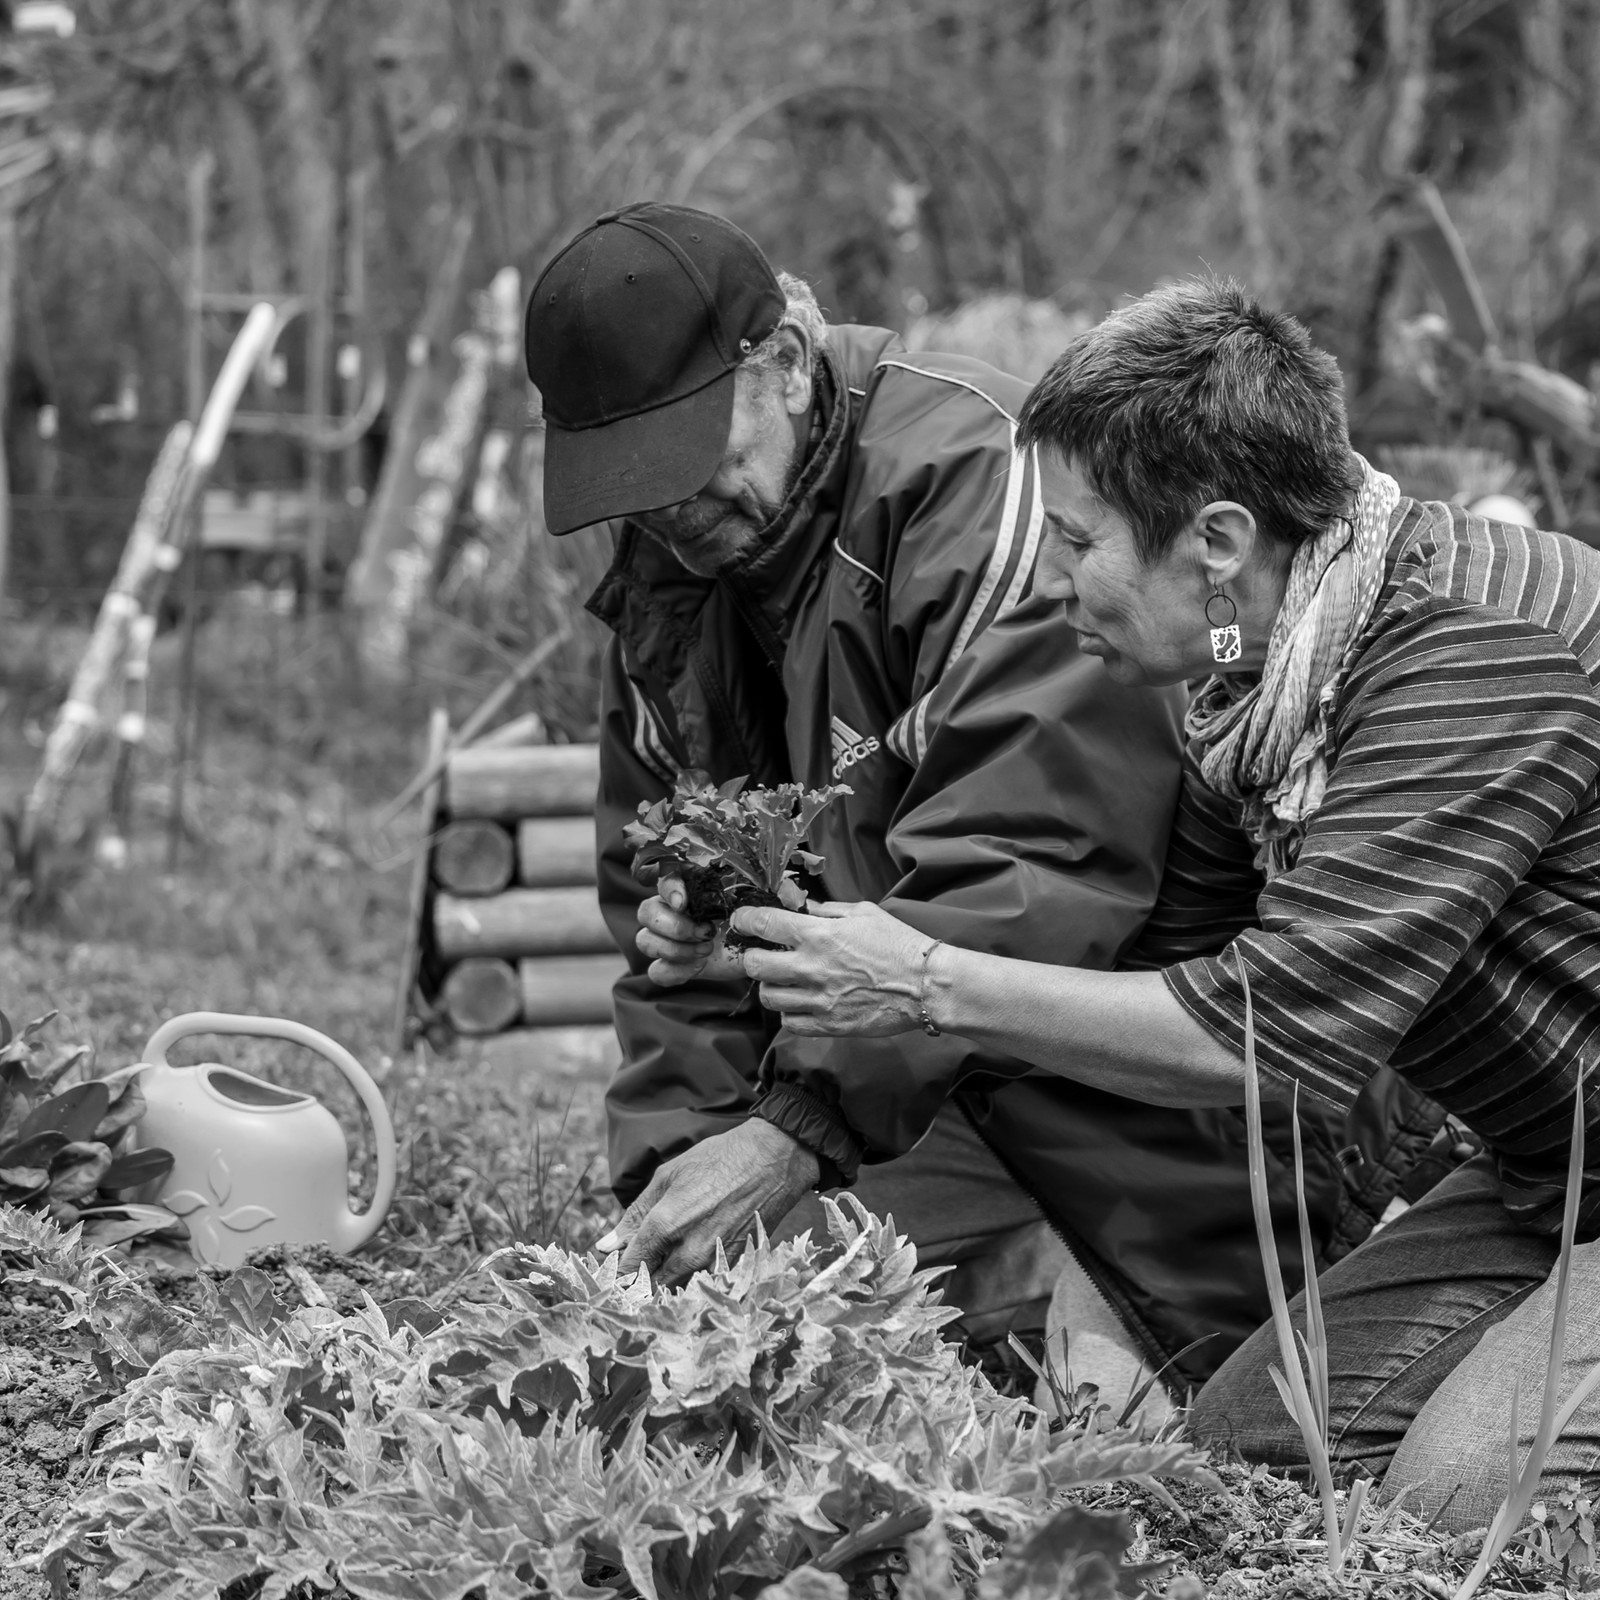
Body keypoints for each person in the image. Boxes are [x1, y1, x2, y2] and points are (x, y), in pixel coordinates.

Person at [724, 275, 1600, 1527]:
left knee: (1471, 1495)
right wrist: (790, 900)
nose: (1049, 580)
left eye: (1078, 542)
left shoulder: (1472, 655)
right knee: (1247, 1455)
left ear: (1220, 545)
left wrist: (921, 978)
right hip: (1549, 1173)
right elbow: (1159, 972)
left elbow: (1265, 1028)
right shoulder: (1249, 699)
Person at [522, 205, 1391, 1395]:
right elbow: (669, 929)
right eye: (629, 480)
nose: (670, 511)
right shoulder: (675, 580)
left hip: (1104, 1067)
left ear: (782, 361)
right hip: (891, 1065)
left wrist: (792, 1130)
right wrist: (674, 1178)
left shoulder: (982, 492)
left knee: (1136, 1405)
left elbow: (1027, 871)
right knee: (734, 1322)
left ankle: (1118, 1301)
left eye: (684, 456)